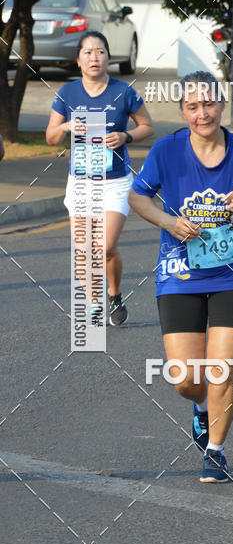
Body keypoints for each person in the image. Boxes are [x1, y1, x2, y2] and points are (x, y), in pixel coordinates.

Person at [129, 71, 233, 482]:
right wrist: (168, 221)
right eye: (193, 107)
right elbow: (137, 196)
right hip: (179, 273)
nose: (202, 114)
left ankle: (216, 451)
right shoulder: (166, 150)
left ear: (221, 105)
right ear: (183, 110)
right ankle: (200, 408)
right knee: (184, 378)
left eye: (209, 104)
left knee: (221, 369)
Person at [46, 31, 154, 325]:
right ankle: (94, 303)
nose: (94, 57)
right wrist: (67, 126)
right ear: (78, 60)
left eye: (100, 51)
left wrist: (126, 135)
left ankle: (114, 294)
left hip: (115, 181)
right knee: (84, 248)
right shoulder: (67, 94)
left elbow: (147, 126)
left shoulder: (124, 91)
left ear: (108, 56)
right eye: (88, 52)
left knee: (104, 247)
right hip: (80, 182)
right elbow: (51, 138)